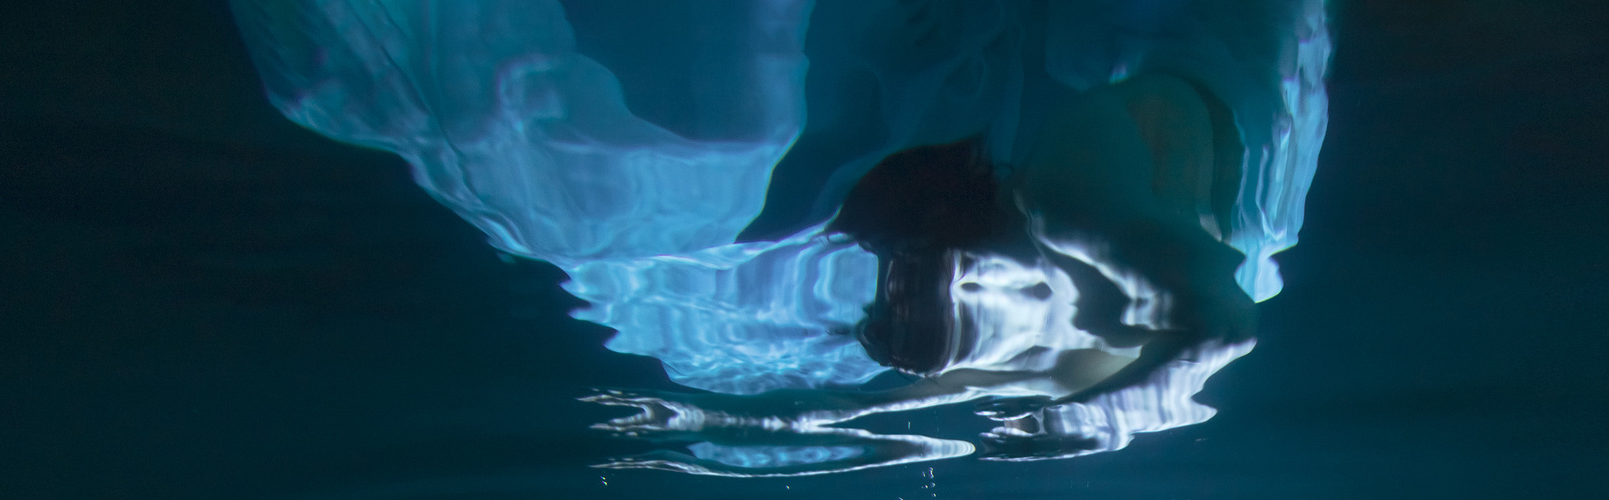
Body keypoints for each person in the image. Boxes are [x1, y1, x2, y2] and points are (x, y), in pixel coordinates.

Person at [231, 0, 1331, 467]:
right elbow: (1215, 323)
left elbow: (1210, 328)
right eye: (906, 277)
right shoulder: (1075, 193)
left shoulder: (1068, 212)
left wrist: (706, 412)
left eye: (884, 279)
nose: (889, 274)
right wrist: (1078, 428)